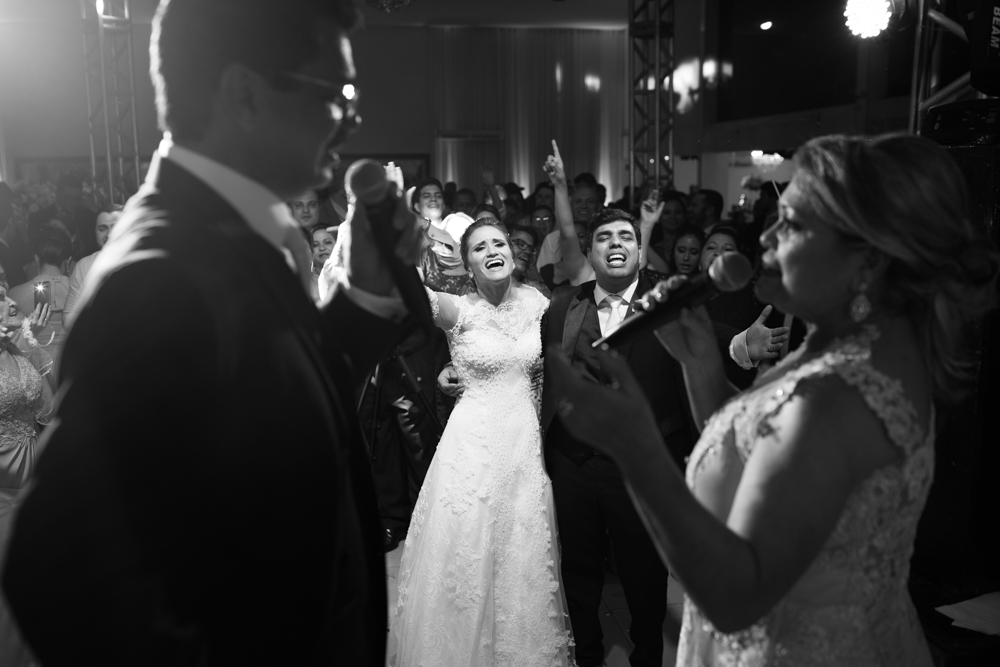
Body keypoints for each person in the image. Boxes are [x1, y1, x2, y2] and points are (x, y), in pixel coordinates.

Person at [1, 1, 423, 665]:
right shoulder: (161, 274)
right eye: (337, 93)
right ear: (245, 94)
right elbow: (57, 568)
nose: (354, 118)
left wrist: (363, 298)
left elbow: (267, 408)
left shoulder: (234, 234)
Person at [547, 133, 1000, 666]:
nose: (765, 236)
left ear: (867, 259)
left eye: (793, 224)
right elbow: (754, 447)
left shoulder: (843, 396)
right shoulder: (834, 345)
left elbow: (736, 598)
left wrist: (636, 446)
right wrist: (701, 367)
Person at [389, 218, 573, 666]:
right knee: (468, 552)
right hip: (471, 449)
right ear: (467, 264)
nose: (492, 251)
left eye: (499, 243)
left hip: (524, 446)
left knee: (523, 552)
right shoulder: (457, 309)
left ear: (512, 252)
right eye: (479, 247)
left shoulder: (538, 304)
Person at [542, 207, 697, 667]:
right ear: (590, 253)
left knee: (644, 572)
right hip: (574, 460)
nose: (615, 244)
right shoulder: (561, 305)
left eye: (625, 236)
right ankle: (586, 655)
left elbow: (710, 343)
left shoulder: (667, 301)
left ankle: (647, 656)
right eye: (604, 237)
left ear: (639, 250)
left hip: (640, 465)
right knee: (579, 568)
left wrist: (743, 345)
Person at [0, 273, 54, 667]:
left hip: (34, 478)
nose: (13, 304)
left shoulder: (17, 349)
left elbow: (48, 411)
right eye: (0, 299)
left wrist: (32, 348)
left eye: (7, 296)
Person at [9, 226, 73, 373]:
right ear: (68, 260)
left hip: (37, 369)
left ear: (37, 258)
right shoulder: (81, 291)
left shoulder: (15, 294)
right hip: (73, 366)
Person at [64, 208, 122, 324]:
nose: (109, 234)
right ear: (95, 231)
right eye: (102, 229)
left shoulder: (145, 263)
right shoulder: (85, 265)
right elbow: (67, 320)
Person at [308, 225, 336, 303]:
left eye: (327, 242)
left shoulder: (348, 275)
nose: (322, 248)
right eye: (315, 245)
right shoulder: (305, 281)